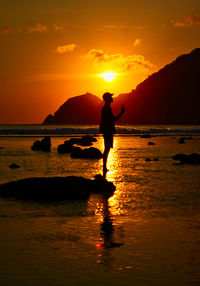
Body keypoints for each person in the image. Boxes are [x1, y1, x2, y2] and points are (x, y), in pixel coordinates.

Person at [100, 92, 125, 178]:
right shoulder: (107, 108)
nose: (112, 98)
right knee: (107, 149)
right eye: (111, 97)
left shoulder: (107, 108)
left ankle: (104, 167)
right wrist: (121, 113)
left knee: (107, 149)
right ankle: (104, 167)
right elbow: (113, 120)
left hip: (107, 130)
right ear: (107, 99)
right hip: (108, 131)